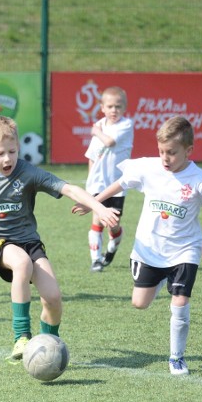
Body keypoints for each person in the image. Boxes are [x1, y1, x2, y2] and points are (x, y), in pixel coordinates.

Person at [0, 115, 119, 361]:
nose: (8, 159)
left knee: (53, 298)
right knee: (21, 263)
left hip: (27, 240)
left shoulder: (27, 173)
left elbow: (68, 188)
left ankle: (48, 347)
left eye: (13, 151)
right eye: (1, 153)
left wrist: (98, 207)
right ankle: (21, 337)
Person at [73, 116, 202, 375]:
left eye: (171, 152)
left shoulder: (198, 178)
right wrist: (93, 202)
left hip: (184, 250)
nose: (165, 157)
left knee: (179, 301)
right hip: (149, 250)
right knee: (140, 303)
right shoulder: (149, 167)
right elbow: (121, 183)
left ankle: (176, 358)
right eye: (161, 151)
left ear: (188, 151)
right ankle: (159, 281)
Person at [84, 86, 134, 272]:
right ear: (102, 107)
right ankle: (96, 260)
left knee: (112, 224)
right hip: (98, 184)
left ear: (125, 107)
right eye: (110, 106)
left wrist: (95, 131)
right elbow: (91, 156)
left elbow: (110, 142)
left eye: (118, 106)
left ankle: (116, 239)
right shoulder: (99, 125)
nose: (114, 110)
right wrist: (90, 181)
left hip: (117, 185)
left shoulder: (126, 125)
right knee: (97, 220)